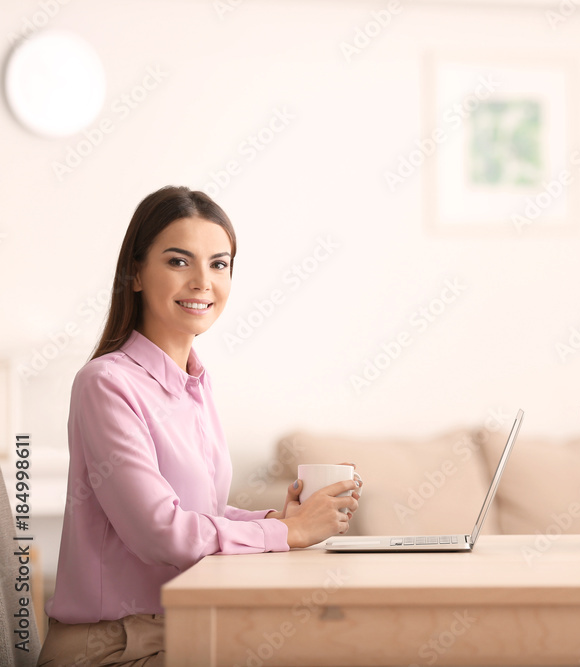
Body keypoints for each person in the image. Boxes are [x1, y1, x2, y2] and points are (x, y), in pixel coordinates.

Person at [38, 186, 361, 666]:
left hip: (181, 628)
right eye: (177, 261)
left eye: (219, 264)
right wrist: (287, 536)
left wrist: (279, 521)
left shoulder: (196, 384)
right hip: (113, 649)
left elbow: (198, 511)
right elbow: (160, 532)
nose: (202, 281)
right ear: (135, 273)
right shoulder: (106, 383)